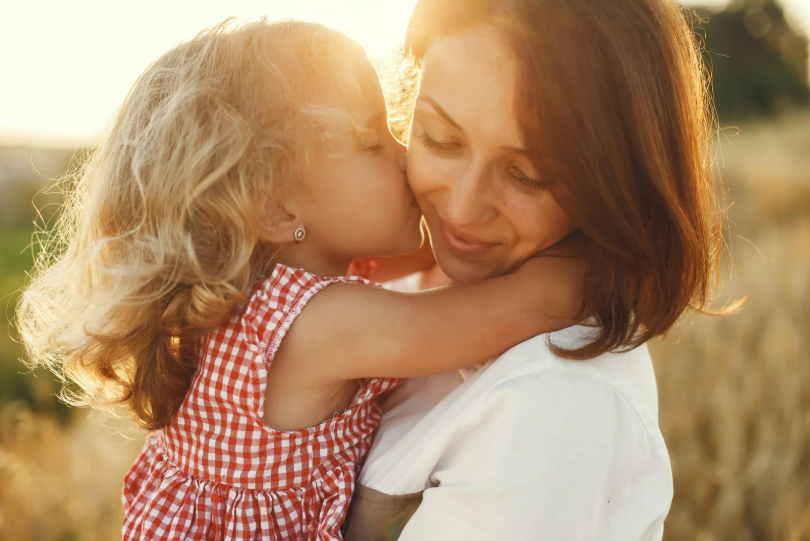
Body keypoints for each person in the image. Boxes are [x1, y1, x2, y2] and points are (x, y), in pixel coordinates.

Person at [16, 19, 584, 540]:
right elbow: (528, 306)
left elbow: (429, 258)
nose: (405, 155)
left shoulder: (253, 284)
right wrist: (610, 242)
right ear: (278, 210)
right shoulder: (322, 325)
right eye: (370, 142)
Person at [344, 0, 726, 539]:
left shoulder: (558, 405)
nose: (461, 208)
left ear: (615, 181)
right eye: (439, 139)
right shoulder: (409, 274)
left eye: (527, 174)